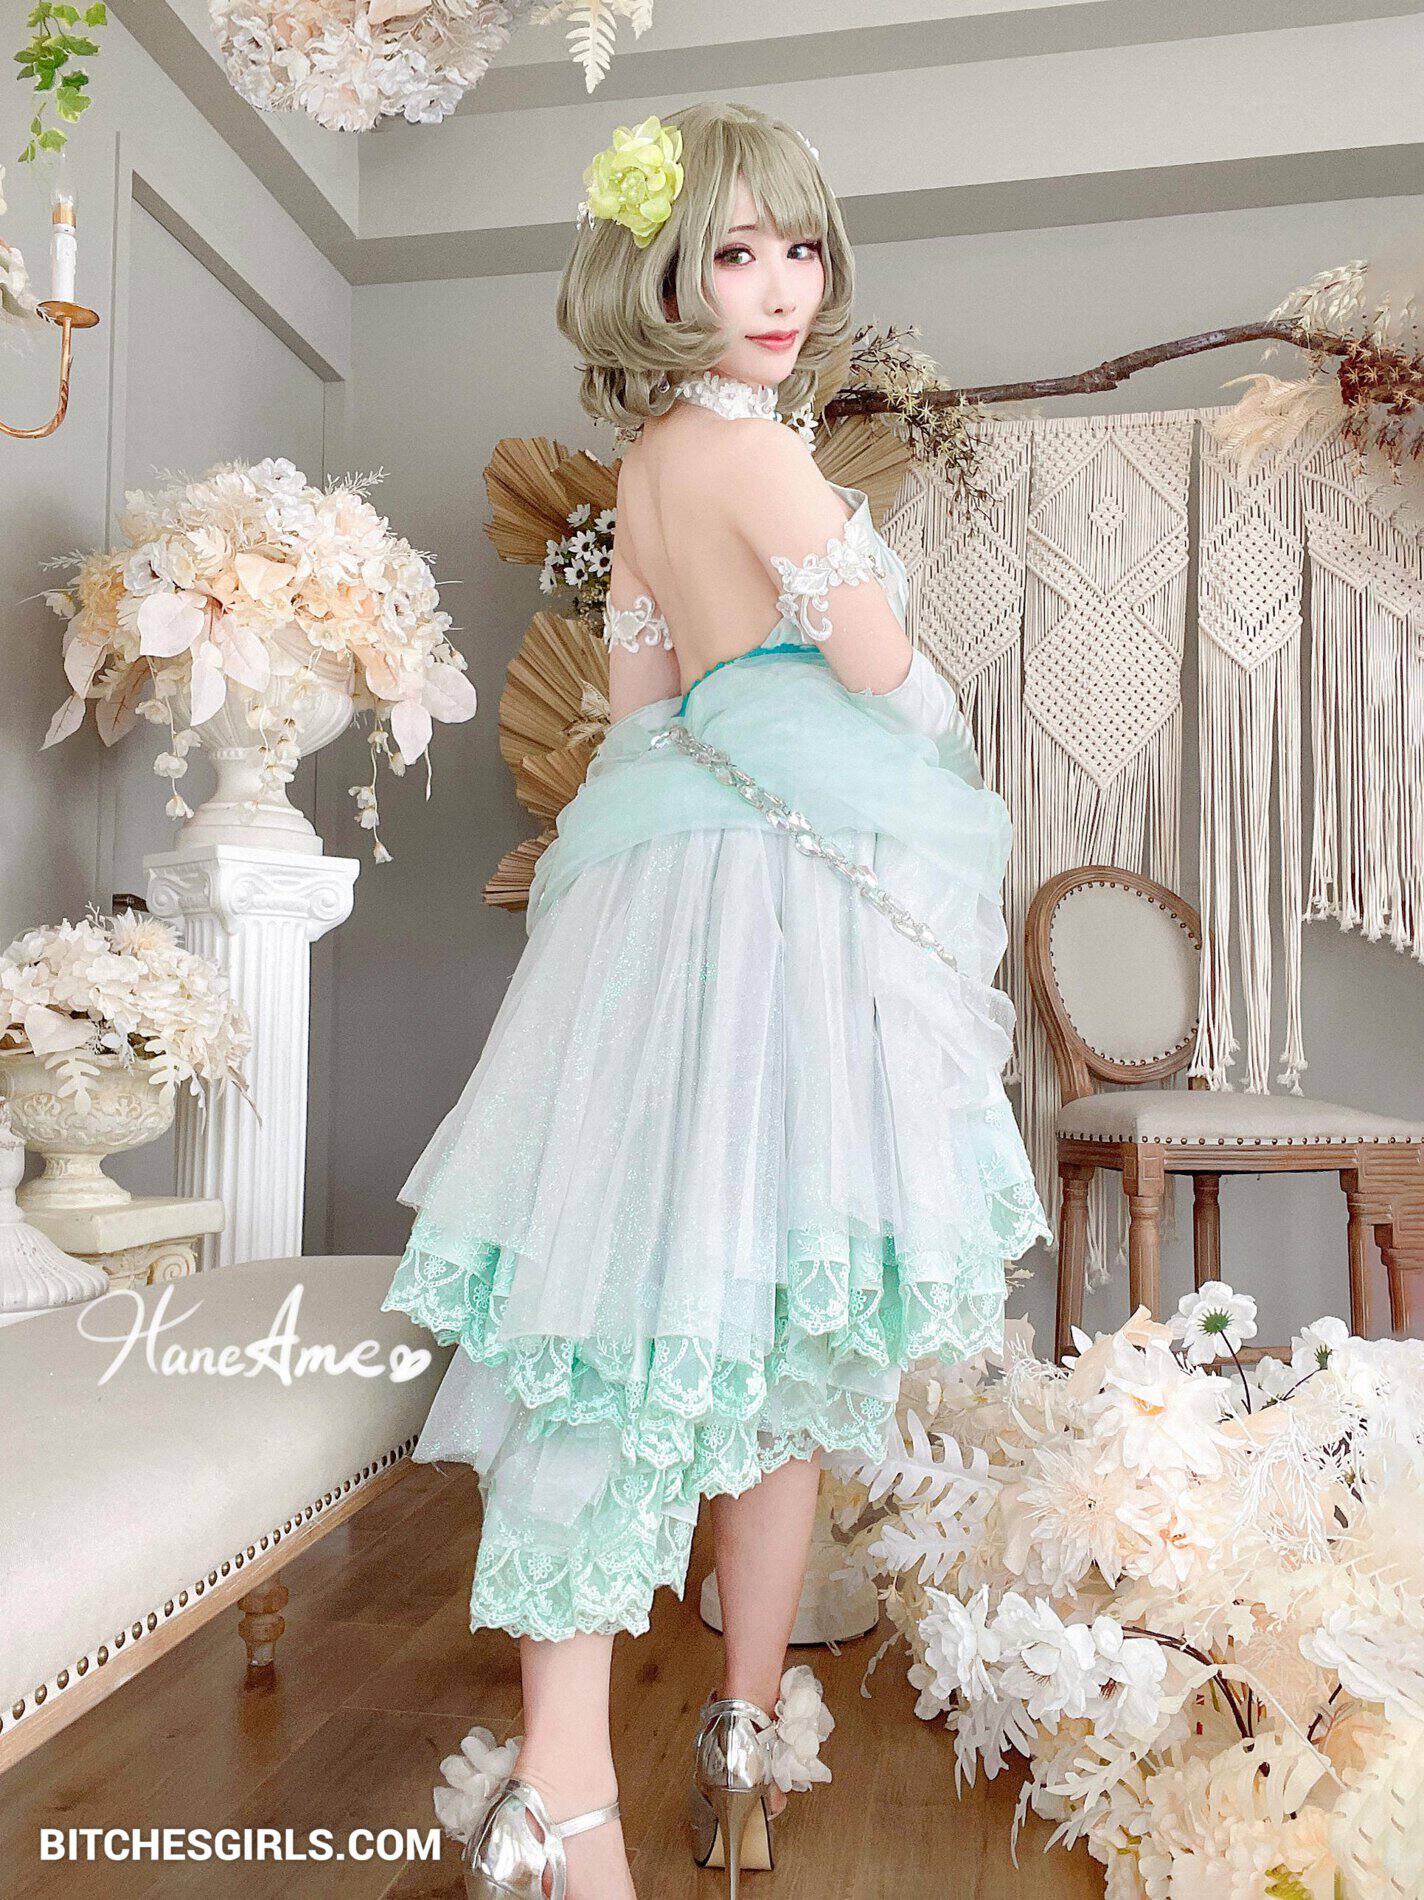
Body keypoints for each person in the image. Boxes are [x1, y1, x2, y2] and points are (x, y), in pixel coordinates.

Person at [381, 101, 1052, 1900]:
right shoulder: (759, 459)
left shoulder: (645, 472)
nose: (777, 286)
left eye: (796, 247)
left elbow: (640, 709)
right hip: (778, 908)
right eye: (731, 254)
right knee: (725, 1310)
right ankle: (636, 1773)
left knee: (662, 1307)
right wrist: (867, 639)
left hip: (665, 885)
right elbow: (881, 667)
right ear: (659, 280)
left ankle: (659, 1754)